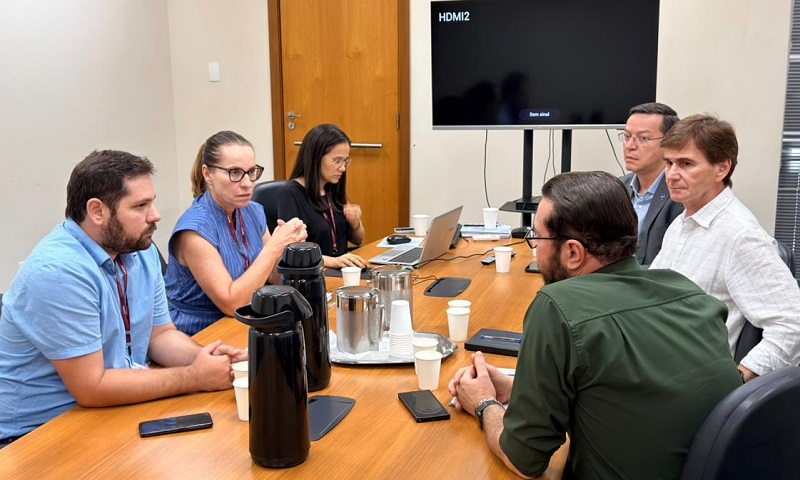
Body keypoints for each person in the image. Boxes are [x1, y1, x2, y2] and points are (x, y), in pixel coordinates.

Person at [448, 171, 741, 479]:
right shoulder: (689, 293)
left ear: (573, 252)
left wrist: (483, 402)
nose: (535, 248)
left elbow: (524, 460)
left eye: (537, 238)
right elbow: (626, 392)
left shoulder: (557, 306)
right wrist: (520, 388)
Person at [0, 150, 247, 447]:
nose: (155, 215)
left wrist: (206, 360)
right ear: (97, 211)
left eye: (152, 202)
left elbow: (160, 335)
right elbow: (92, 387)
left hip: (106, 412)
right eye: (141, 206)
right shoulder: (58, 272)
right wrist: (194, 377)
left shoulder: (139, 250)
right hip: (34, 436)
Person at [650, 114, 800, 381]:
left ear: (722, 169)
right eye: (669, 163)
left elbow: (792, 323)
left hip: (692, 382)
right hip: (659, 364)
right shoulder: (682, 222)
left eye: (686, 164)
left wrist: (737, 382)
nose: (671, 175)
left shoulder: (740, 235)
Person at [165, 131, 308, 336]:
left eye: (251, 172)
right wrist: (274, 245)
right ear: (208, 174)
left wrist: (286, 249)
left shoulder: (252, 211)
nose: (247, 183)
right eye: (234, 172)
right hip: (201, 332)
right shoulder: (193, 231)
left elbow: (274, 279)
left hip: (247, 319)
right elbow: (232, 304)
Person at [276, 124, 367, 269]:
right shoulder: (290, 194)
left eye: (345, 161)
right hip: (313, 273)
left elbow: (358, 240)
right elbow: (293, 252)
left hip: (340, 270)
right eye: (337, 160)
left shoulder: (333, 187)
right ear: (315, 157)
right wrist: (334, 262)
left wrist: (355, 224)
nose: (343, 168)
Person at [619, 102, 684, 265]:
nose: (630, 146)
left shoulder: (680, 194)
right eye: (627, 136)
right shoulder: (617, 188)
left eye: (643, 138)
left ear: (669, 143)